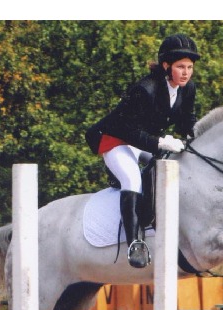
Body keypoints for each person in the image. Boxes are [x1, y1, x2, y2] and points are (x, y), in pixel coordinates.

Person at [85, 34, 200, 268]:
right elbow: (126, 129)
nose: (186, 73)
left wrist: (197, 137)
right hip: (115, 139)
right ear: (166, 66)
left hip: (143, 141)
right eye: (180, 67)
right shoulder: (145, 89)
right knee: (133, 178)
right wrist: (159, 143)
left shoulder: (187, 89)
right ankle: (135, 243)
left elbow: (187, 121)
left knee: (175, 164)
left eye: (189, 67)